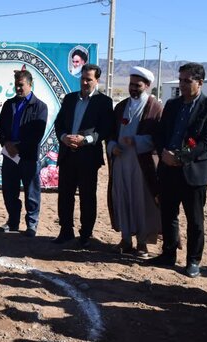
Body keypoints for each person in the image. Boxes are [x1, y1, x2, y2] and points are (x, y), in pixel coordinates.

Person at [149, 62, 207, 278]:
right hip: (168, 169)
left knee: (195, 220)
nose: (181, 84)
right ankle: (168, 254)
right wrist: (163, 153)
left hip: (194, 172)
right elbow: (160, 133)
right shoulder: (172, 105)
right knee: (169, 214)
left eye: (186, 81)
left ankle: (193, 261)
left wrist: (179, 158)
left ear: (200, 83)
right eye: (180, 80)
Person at [53, 63, 114, 248]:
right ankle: (65, 231)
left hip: (88, 157)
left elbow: (105, 130)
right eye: (83, 78)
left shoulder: (104, 102)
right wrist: (63, 137)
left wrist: (85, 139)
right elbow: (59, 123)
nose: (85, 82)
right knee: (65, 195)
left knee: (87, 197)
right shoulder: (70, 99)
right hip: (67, 155)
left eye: (89, 79)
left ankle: (85, 234)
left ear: (97, 80)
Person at [107, 66, 162, 257]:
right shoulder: (121, 106)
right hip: (121, 162)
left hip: (141, 164)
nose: (133, 88)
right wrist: (112, 145)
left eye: (137, 85)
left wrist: (137, 141)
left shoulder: (155, 108)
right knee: (122, 199)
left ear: (147, 85)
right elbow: (111, 133)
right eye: (130, 84)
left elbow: (158, 138)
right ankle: (126, 239)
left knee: (141, 202)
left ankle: (142, 243)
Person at [0, 69, 48, 237]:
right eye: (16, 85)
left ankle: (31, 224)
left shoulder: (40, 106)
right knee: (9, 190)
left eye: (21, 85)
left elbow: (37, 133)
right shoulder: (9, 104)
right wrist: (6, 143)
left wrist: (19, 147)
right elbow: (0, 127)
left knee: (31, 192)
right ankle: (13, 221)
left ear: (30, 85)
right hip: (9, 155)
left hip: (28, 156)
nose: (18, 88)